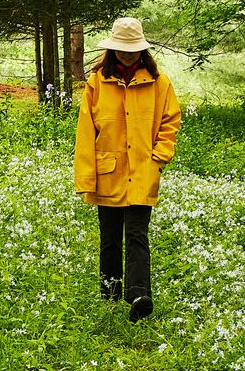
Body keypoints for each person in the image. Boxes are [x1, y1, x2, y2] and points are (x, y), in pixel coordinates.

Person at [74, 16, 181, 321]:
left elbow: (170, 122)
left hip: (144, 170)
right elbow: (86, 132)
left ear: (142, 50)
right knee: (109, 237)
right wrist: (86, 176)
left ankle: (139, 296)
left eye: (132, 49)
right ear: (112, 49)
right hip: (108, 172)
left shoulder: (160, 82)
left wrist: (159, 157)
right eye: (121, 48)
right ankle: (109, 294)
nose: (127, 54)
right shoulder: (97, 82)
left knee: (137, 235)